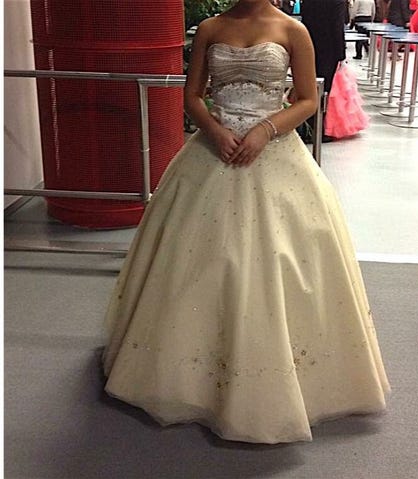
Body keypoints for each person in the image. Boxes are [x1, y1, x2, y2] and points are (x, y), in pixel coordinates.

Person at [102, 0, 390, 444]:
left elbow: (308, 98)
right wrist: (214, 130)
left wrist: (265, 130)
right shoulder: (211, 28)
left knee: (279, 259)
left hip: (274, 152)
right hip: (212, 150)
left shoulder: (293, 30)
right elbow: (192, 95)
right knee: (196, 261)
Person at [302, 0, 347, 142]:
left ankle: (306, 127)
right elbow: (337, 27)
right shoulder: (337, 2)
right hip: (329, 50)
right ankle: (318, 130)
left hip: (308, 46)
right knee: (324, 90)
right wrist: (341, 55)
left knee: (308, 87)